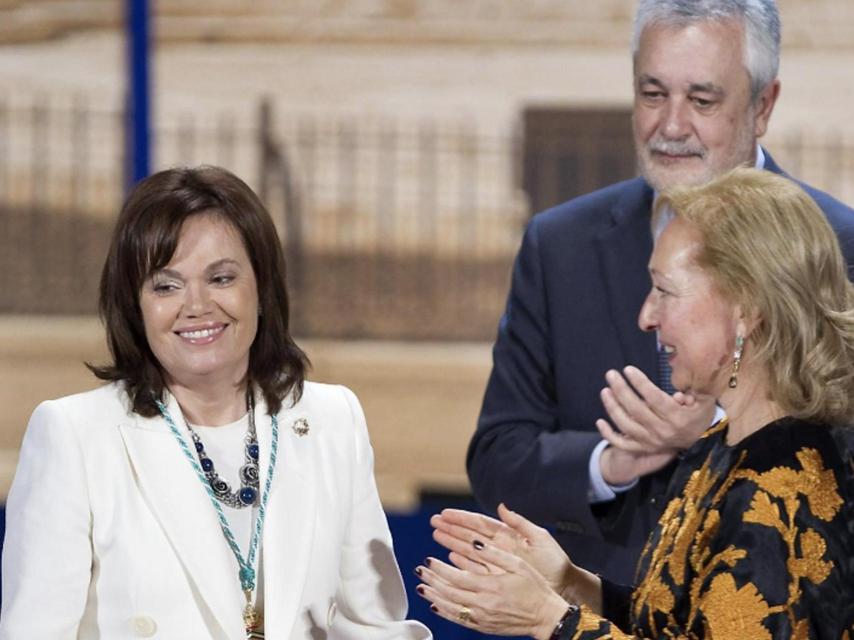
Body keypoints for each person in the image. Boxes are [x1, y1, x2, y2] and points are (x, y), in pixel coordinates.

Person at [468, 0, 854, 584]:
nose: (671, 126)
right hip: (594, 604)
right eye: (652, 95)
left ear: (763, 105)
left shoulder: (837, 242)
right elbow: (498, 458)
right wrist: (612, 463)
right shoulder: (560, 245)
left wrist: (722, 429)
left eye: (702, 100)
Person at [418, 168, 854, 638]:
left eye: (665, 290)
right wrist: (570, 582)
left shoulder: (785, 486)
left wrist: (552, 621)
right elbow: (685, 625)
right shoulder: (721, 447)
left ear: (745, 309)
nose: (646, 316)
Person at [0, 166, 433, 639]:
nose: (197, 305)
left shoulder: (333, 421)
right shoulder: (74, 435)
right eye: (166, 286)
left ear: (261, 290)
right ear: (134, 305)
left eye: (221, 278)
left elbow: (374, 627)